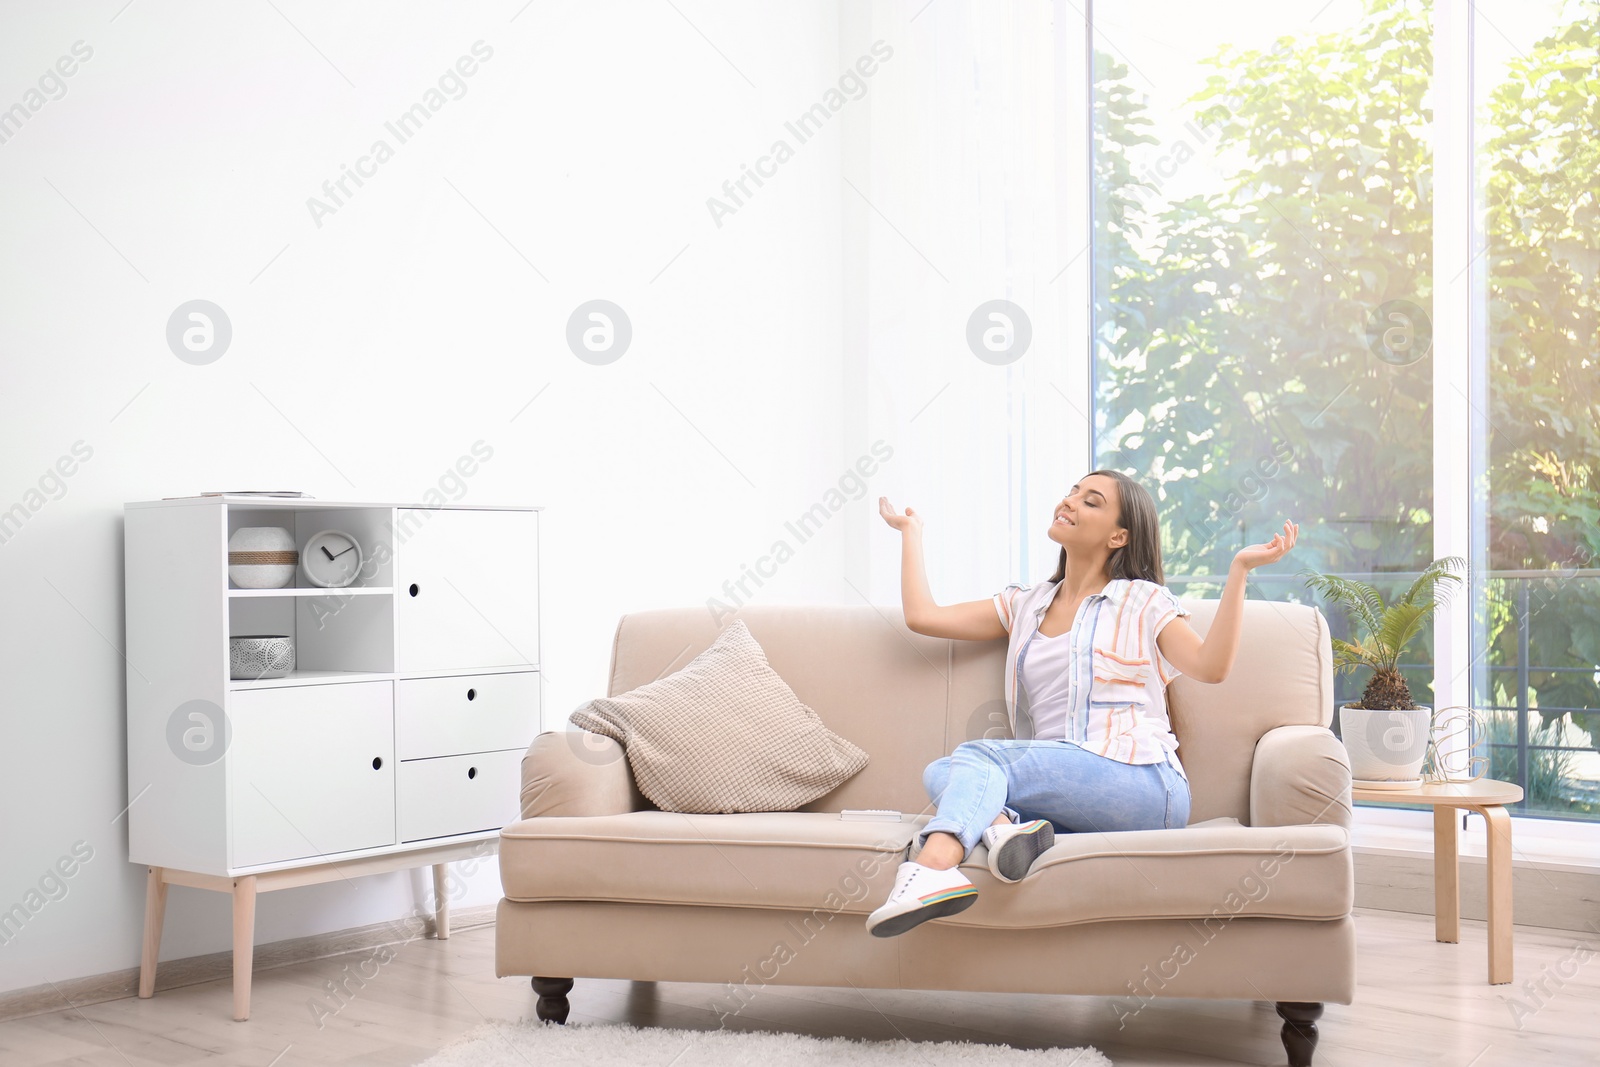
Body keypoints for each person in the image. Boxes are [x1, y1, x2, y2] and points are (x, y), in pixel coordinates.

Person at [864, 470, 1298, 938]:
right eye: (1073, 492)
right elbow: (924, 617)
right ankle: (1005, 831)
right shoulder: (1025, 605)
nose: (1069, 502)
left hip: (1144, 783)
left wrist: (1239, 572)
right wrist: (911, 533)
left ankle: (933, 867)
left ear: (1119, 536)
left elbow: (1211, 667)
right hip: (1067, 792)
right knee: (942, 773)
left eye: (1091, 501)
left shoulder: (1143, 601)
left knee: (978, 757)